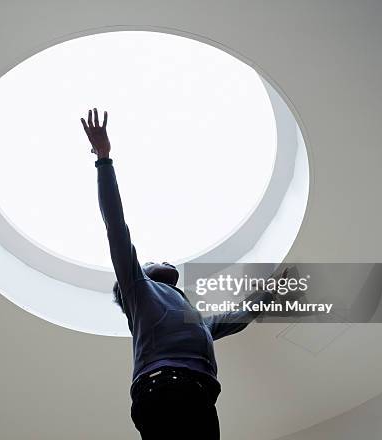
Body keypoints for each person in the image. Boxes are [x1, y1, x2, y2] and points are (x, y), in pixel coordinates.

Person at [80, 108, 279, 440]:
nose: (165, 259)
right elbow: (116, 226)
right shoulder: (139, 290)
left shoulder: (194, 320)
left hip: (200, 395)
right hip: (162, 389)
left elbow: (240, 314)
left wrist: (271, 292)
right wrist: (103, 158)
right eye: (154, 259)